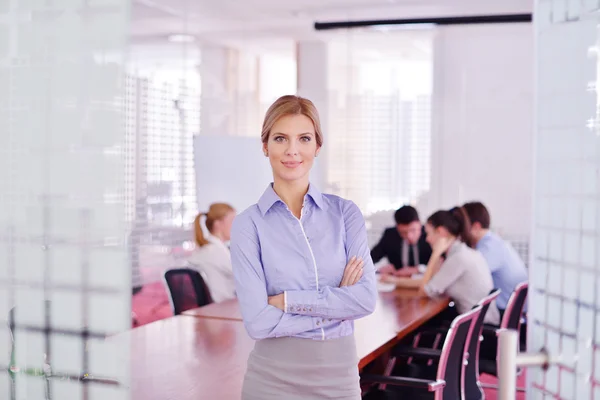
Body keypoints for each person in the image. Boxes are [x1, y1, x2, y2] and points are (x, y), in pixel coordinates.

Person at [230, 95, 377, 400]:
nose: (292, 150)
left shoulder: (345, 215)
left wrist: (286, 300)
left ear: (317, 147)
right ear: (265, 146)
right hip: (271, 382)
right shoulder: (249, 225)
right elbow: (258, 322)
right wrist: (337, 304)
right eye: (280, 138)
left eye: (304, 138)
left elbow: (364, 299)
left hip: (340, 379)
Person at [382, 207, 500, 325]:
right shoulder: (462, 252)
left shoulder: (458, 258)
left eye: (428, 233)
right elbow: (428, 281)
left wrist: (435, 255)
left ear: (441, 232)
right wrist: (394, 280)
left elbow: (424, 291)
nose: (427, 239)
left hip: (478, 328)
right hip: (476, 324)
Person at [462, 201, 528, 316]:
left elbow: (467, 277)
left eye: (462, 227)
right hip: (513, 312)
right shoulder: (494, 242)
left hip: (504, 313)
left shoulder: (488, 248)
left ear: (476, 226)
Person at [187, 203, 236, 303]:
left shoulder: (207, 249)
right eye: (232, 221)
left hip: (215, 309)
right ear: (218, 224)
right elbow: (248, 276)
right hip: (223, 309)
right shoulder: (216, 251)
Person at [371, 205, 432, 277]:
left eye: (413, 230)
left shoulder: (430, 235)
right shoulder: (390, 235)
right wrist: (378, 270)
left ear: (420, 224)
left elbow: (442, 265)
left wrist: (419, 269)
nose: (409, 236)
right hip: (396, 283)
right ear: (397, 227)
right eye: (403, 232)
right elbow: (370, 259)